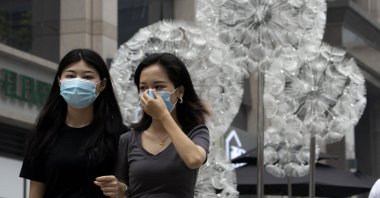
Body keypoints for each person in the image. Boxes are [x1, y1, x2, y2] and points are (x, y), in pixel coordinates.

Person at [19, 48, 127, 198]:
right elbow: (35, 194)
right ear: (59, 81)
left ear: (102, 85)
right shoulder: (42, 135)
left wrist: (122, 190)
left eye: (87, 76)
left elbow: (134, 188)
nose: (77, 82)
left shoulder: (121, 136)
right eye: (70, 75)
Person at [105, 52, 211, 198]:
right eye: (143, 88)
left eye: (159, 86)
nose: (150, 93)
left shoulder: (196, 132)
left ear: (179, 91)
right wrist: (118, 189)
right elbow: (123, 187)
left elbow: (194, 159)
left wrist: (163, 115)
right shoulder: (128, 139)